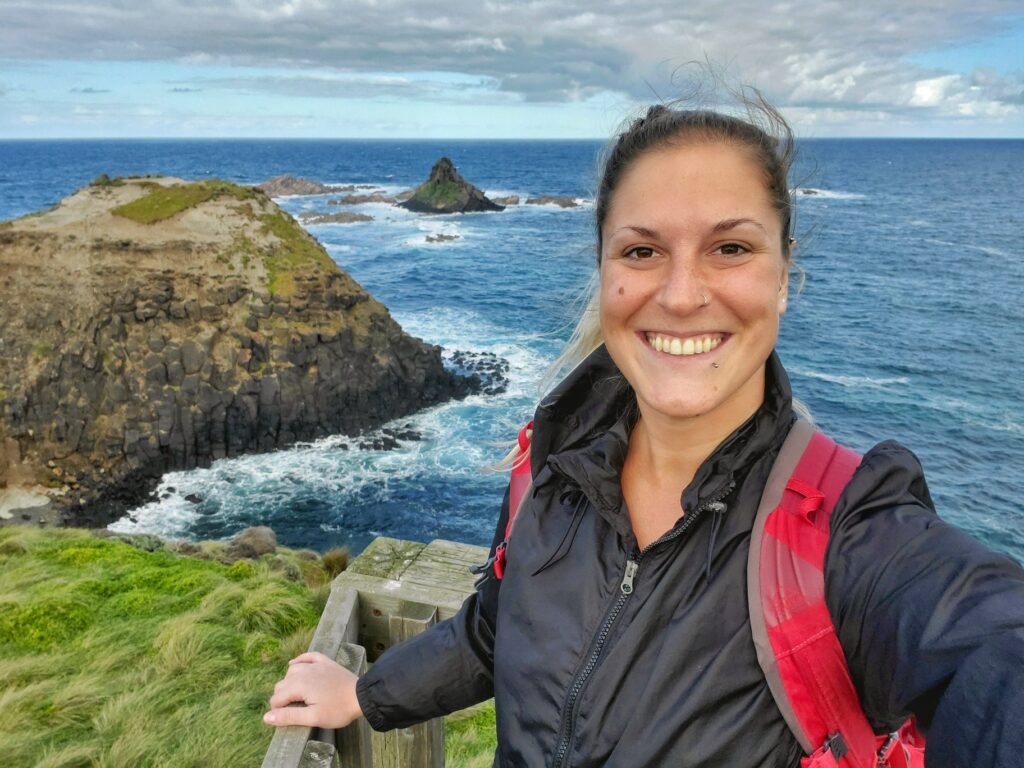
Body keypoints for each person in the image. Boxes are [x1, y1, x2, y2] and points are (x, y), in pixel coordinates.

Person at [264, 96, 1024, 766]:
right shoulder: (551, 470)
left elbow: (986, 650)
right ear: (605, 270)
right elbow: (493, 634)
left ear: (784, 274)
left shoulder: (849, 532)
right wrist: (367, 693)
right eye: (642, 251)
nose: (683, 293)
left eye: (731, 247)